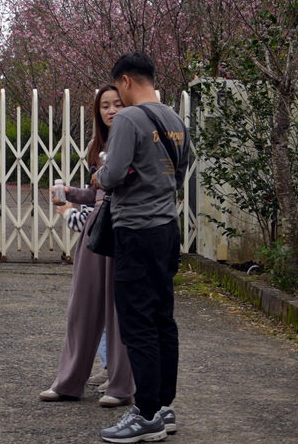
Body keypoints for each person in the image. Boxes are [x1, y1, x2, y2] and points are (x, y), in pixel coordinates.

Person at [93, 53, 191, 443]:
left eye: (118, 88)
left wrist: (99, 176)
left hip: (135, 230)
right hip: (167, 228)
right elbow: (180, 173)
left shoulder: (129, 119)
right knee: (163, 318)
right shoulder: (175, 119)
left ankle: (146, 412)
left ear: (127, 81)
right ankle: (163, 406)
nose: (117, 99)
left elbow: (114, 174)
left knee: (138, 323)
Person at [39, 85, 135, 408]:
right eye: (105, 106)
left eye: (118, 104)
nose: (111, 111)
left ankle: (120, 387)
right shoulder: (100, 145)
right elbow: (99, 195)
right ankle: (68, 382)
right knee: (81, 309)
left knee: (118, 313)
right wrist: (71, 193)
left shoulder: (133, 138)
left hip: (122, 231)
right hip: (96, 234)